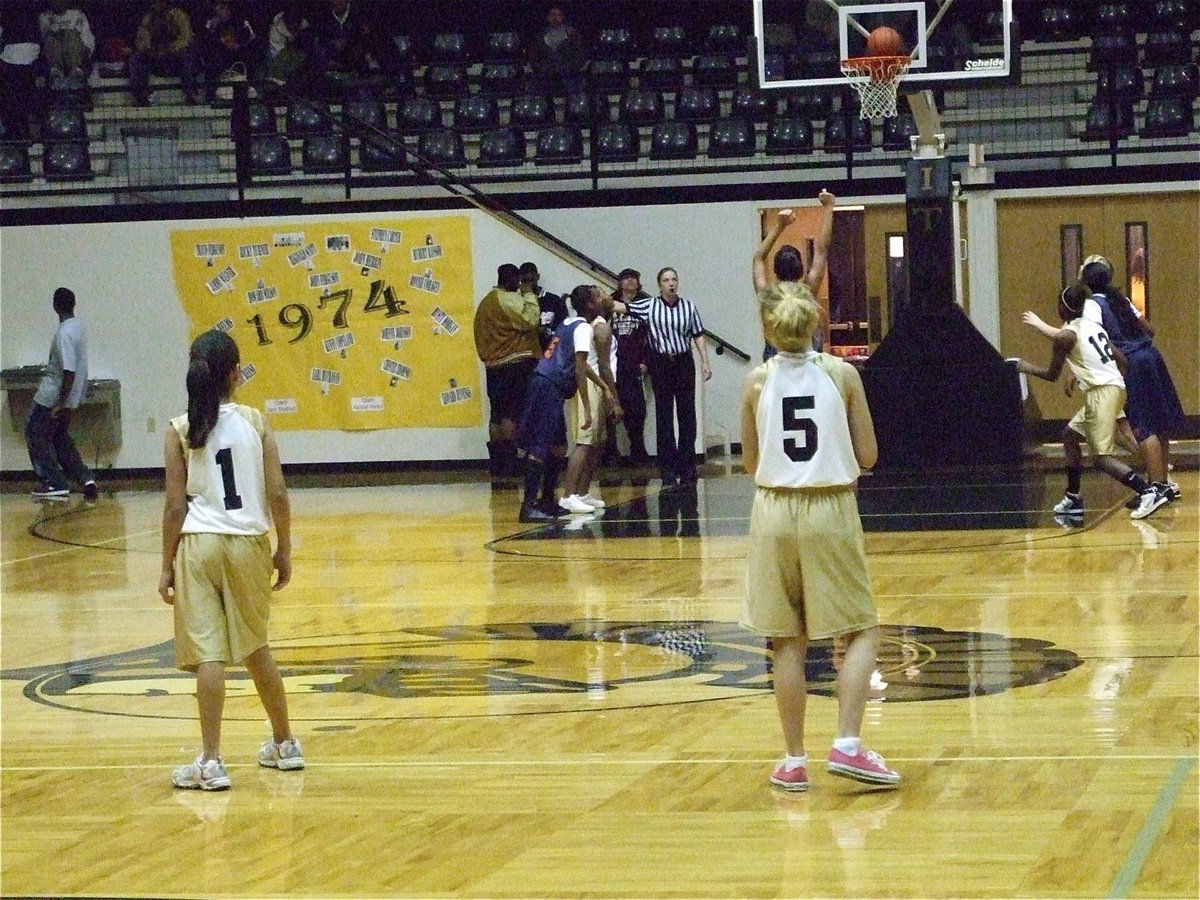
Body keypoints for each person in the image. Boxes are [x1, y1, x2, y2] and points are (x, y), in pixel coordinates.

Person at [740, 280, 900, 792]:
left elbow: (749, 461)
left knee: (787, 639)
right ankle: (849, 745)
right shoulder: (843, 374)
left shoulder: (756, 381)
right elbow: (870, 455)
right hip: (828, 506)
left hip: (772, 510)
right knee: (860, 629)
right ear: (815, 322)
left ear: (769, 328)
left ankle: (793, 760)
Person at [159, 329, 304, 791]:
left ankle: (211, 760)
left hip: (199, 543)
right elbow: (278, 493)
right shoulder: (256, 422)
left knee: (209, 654)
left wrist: (165, 564)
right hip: (247, 543)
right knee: (255, 646)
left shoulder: (180, 428)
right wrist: (283, 547)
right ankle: (284, 744)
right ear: (235, 373)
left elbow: (174, 507)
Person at [1015, 283, 1165, 521]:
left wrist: (1025, 367)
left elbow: (1052, 375)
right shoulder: (1095, 327)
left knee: (1101, 457)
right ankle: (1073, 496)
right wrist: (1105, 380)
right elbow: (1123, 362)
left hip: (1101, 393)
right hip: (1116, 387)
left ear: (1062, 310)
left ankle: (1148, 492)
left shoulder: (1065, 336)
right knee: (1070, 435)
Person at [1079, 255, 1184, 506]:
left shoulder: (1092, 306)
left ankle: (1156, 489)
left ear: (1085, 282)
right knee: (1160, 423)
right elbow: (1150, 330)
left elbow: (1099, 340)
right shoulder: (1120, 299)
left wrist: (1119, 361)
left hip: (1133, 363)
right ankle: (1165, 484)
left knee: (1143, 425)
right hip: (1151, 357)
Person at [621, 268, 712, 486]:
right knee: (664, 415)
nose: (670, 283)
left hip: (683, 361)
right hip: (661, 362)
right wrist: (600, 300)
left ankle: (688, 465)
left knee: (687, 414)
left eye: (673, 279)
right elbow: (622, 306)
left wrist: (705, 361)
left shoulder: (688, 307)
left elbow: (698, 334)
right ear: (659, 285)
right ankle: (668, 467)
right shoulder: (650, 305)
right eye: (665, 280)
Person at [515, 286, 597, 522]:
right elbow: (580, 370)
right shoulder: (583, 328)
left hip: (548, 384)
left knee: (559, 446)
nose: (603, 299)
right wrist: (587, 407)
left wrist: (603, 386)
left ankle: (548, 499)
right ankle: (528, 505)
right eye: (599, 296)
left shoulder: (569, 323)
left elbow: (581, 364)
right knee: (539, 446)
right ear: (591, 304)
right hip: (548, 385)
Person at [26, 288, 97, 501]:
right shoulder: (79, 328)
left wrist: (61, 403)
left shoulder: (64, 333)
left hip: (51, 397)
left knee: (34, 433)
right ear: (73, 304)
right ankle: (84, 477)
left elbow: (68, 371)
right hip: (73, 396)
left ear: (55, 306)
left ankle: (54, 482)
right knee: (59, 438)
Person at [473, 263, 540, 478]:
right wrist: (529, 295)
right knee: (511, 414)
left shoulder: (485, 303)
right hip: (513, 363)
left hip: (493, 365)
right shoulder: (508, 299)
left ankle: (497, 464)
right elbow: (530, 319)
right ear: (511, 280)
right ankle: (512, 462)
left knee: (497, 414)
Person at [753, 189, 836, 359]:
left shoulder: (769, 296)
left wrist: (780, 226)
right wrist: (828, 208)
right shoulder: (806, 292)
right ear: (800, 268)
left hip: (776, 356)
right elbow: (821, 250)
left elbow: (759, 259)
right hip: (806, 355)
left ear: (775, 271)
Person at [560, 287, 620, 514]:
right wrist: (614, 397)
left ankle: (583, 491)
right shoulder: (597, 328)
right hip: (590, 387)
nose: (607, 295)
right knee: (585, 442)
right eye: (600, 293)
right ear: (592, 304)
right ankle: (568, 495)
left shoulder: (589, 324)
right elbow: (602, 367)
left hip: (595, 386)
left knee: (598, 441)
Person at [608, 268, 651, 467]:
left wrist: (646, 361)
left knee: (637, 410)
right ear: (620, 282)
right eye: (626, 278)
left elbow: (652, 335)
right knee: (612, 407)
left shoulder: (646, 302)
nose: (630, 281)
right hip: (614, 362)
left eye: (634, 278)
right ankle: (610, 452)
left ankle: (637, 449)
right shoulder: (610, 302)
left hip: (635, 362)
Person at [128, 0, 201, 105]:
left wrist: (170, 48)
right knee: (136, 58)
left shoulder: (178, 15)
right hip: (157, 59)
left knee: (188, 54)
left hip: (175, 60)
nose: (156, 5)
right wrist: (146, 47)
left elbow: (186, 39)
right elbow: (142, 39)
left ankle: (191, 93)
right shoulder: (149, 18)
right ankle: (141, 96)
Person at [529, 5, 586, 94]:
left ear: (562, 17)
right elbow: (534, 57)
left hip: (568, 74)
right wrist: (544, 69)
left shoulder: (572, 35)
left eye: (558, 15)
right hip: (546, 75)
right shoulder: (540, 36)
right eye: (552, 15)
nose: (555, 18)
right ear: (548, 17)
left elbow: (580, 56)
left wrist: (569, 68)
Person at [200, 0, 255, 84]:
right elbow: (204, 43)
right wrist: (218, 40)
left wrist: (238, 46)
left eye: (226, 6)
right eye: (221, 7)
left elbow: (251, 40)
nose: (224, 10)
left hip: (239, 57)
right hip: (218, 59)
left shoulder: (241, 21)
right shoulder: (210, 23)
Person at [519, 261, 569, 353]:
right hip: (525, 355)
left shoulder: (554, 301)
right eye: (525, 281)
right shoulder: (517, 301)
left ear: (538, 277)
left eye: (531, 280)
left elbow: (563, 330)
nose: (529, 285)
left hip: (549, 354)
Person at [38, 0, 95, 79]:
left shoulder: (78, 15)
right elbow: (44, 42)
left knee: (70, 34)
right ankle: (55, 72)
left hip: (76, 60)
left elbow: (88, 43)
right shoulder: (44, 17)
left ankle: (76, 72)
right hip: (55, 61)